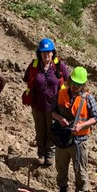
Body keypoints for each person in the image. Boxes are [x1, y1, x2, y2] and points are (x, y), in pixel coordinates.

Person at [50, 67, 97, 192]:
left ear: (83, 85)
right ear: (69, 80)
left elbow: (96, 117)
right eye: (73, 83)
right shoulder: (61, 93)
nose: (75, 86)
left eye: (79, 84)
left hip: (80, 140)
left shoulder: (88, 98)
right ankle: (62, 190)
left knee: (80, 170)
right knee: (61, 166)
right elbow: (52, 111)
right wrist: (59, 118)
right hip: (63, 138)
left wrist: (82, 126)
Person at [22, 38, 70, 167]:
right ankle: (41, 154)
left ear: (53, 53)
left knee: (52, 130)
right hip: (37, 105)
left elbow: (68, 80)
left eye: (49, 52)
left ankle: (50, 154)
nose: (46, 54)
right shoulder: (34, 65)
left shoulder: (59, 65)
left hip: (54, 107)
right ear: (39, 53)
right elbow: (26, 79)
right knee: (40, 129)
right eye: (43, 52)